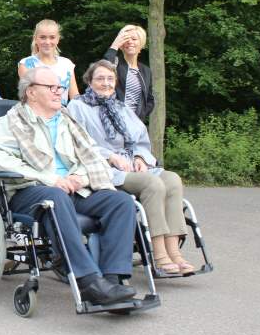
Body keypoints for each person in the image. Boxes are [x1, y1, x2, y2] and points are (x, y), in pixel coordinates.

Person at [0, 67, 138, 305]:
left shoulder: (68, 121)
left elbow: (91, 157)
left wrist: (79, 177)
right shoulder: (10, 122)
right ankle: (88, 281)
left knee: (121, 201)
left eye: (60, 87)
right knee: (55, 196)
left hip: (71, 188)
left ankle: (113, 280)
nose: (59, 92)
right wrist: (51, 179)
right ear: (32, 92)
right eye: (52, 88)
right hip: (28, 190)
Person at [68, 59, 194, 274]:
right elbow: (77, 143)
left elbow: (140, 138)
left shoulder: (122, 107)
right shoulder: (78, 107)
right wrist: (110, 157)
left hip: (132, 165)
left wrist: (140, 158)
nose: (106, 83)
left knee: (172, 180)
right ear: (89, 82)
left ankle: (175, 253)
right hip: (104, 169)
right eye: (100, 79)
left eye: (110, 79)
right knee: (152, 184)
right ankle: (159, 255)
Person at [17, 19, 79, 105]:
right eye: (42, 37)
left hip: (64, 115)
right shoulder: (26, 64)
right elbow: (30, 97)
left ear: (58, 39)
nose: (47, 42)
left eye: (52, 37)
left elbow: (75, 98)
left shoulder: (67, 64)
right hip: (37, 115)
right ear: (35, 39)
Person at [103, 24, 154, 121]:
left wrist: (140, 116)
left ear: (141, 44)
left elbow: (150, 99)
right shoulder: (115, 63)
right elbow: (103, 68)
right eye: (126, 39)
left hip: (135, 124)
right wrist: (115, 45)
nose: (130, 42)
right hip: (113, 120)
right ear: (121, 44)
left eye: (134, 39)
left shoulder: (146, 71)